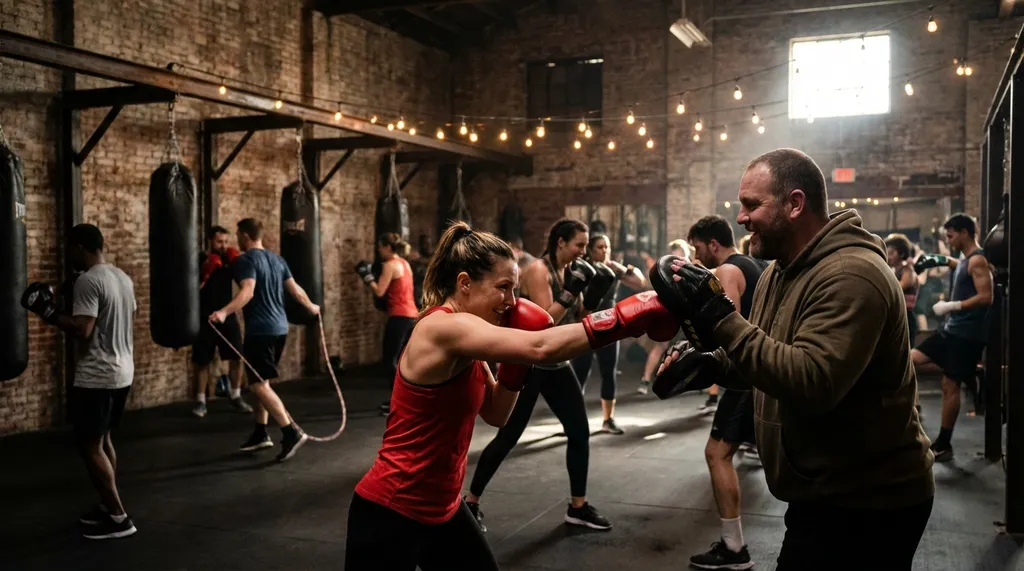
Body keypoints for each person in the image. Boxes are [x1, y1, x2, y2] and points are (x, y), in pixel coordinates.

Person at [654, 148, 934, 570]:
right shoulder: (777, 272)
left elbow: (812, 381)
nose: (742, 218)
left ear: (795, 204)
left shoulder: (852, 275)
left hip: (871, 502)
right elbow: (770, 356)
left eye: (752, 205)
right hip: (821, 492)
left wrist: (720, 318)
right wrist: (711, 365)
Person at [345, 222, 677, 571]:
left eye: (515, 289)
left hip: (442, 507)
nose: (512, 302)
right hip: (392, 509)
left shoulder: (470, 341)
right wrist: (632, 314)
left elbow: (497, 413)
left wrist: (515, 366)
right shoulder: (441, 328)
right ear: (464, 283)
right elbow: (541, 346)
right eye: (503, 288)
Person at [465, 219, 617, 532]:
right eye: (578, 244)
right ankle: (471, 502)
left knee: (579, 431)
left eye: (585, 246)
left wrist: (598, 292)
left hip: (557, 365)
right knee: (508, 436)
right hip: (530, 363)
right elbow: (545, 322)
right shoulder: (538, 270)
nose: (583, 251)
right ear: (560, 242)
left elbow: (580, 318)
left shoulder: (569, 270)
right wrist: (571, 291)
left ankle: (578, 506)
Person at [22, 224, 138, 539]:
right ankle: (107, 503)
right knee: (104, 441)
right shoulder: (122, 277)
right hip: (123, 370)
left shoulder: (89, 280)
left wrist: (48, 313)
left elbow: (82, 328)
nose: (68, 254)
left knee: (90, 446)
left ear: (79, 248)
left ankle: (118, 517)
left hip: (97, 375)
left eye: (70, 248)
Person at [684, 215, 768, 570]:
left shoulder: (725, 272)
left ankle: (734, 549)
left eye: (698, 248)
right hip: (768, 369)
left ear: (713, 244)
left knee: (717, 453)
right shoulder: (755, 264)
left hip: (745, 375)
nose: (696, 255)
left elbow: (727, 329)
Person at [210, 218, 320, 462]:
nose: (237, 240)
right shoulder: (277, 259)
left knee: (258, 385)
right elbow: (296, 290)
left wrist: (223, 312)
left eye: (238, 235)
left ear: (246, 236)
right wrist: (311, 306)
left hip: (260, 331)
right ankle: (260, 433)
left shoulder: (245, 260)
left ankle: (290, 431)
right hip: (280, 329)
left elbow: (247, 291)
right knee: (263, 382)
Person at [911, 214, 993, 461]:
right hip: (951, 331)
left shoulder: (978, 260)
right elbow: (958, 266)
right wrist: (935, 259)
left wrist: (952, 306)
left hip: (966, 334)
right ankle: (966, 373)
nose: (948, 240)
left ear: (965, 233)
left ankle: (944, 444)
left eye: (951, 235)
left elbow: (986, 296)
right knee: (911, 358)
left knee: (949, 385)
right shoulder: (967, 259)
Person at [571, 234, 645, 435]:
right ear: (591, 250)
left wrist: (621, 269)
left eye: (607, 247)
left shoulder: (614, 268)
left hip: (609, 325)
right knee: (580, 373)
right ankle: (573, 420)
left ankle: (608, 419)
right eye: (600, 247)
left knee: (608, 372)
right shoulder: (583, 268)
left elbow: (640, 282)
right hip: (585, 325)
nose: (605, 251)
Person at [356, 233, 420, 415]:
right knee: (402, 361)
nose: (378, 250)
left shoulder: (389, 265)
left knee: (390, 360)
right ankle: (407, 401)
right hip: (412, 316)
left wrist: (367, 277)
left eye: (380, 247)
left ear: (387, 247)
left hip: (400, 316)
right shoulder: (405, 264)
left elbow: (379, 292)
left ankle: (398, 403)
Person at [192, 226, 251, 417]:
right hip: (205, 316)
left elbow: (245, 283)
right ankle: (200, 401)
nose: (223, 246)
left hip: (227, 314)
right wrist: (206, 272)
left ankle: (235, 395)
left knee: (237, 356)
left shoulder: (230, 259)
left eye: (226, 242)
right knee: (202, 360)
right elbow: (193, 290)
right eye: (219, 242)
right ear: (210, 240)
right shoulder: (201, 259)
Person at [637, 239, 692, 396]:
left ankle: (700, 385)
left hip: (689, 312)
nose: (678, 260)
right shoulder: (664, 270)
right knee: (660, 346)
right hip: (671, 312)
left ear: (687, 256)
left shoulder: (693, 270)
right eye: (674, 257)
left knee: (693, 345)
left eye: (681, 257)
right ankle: (645, 380)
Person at [885, 233, 920, 344]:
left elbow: (902, 285)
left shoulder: (907, 270)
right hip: (898, 316)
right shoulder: (895, 270)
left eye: (891, 253)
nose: (888, 257)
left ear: (902, 253)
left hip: (907, 318)